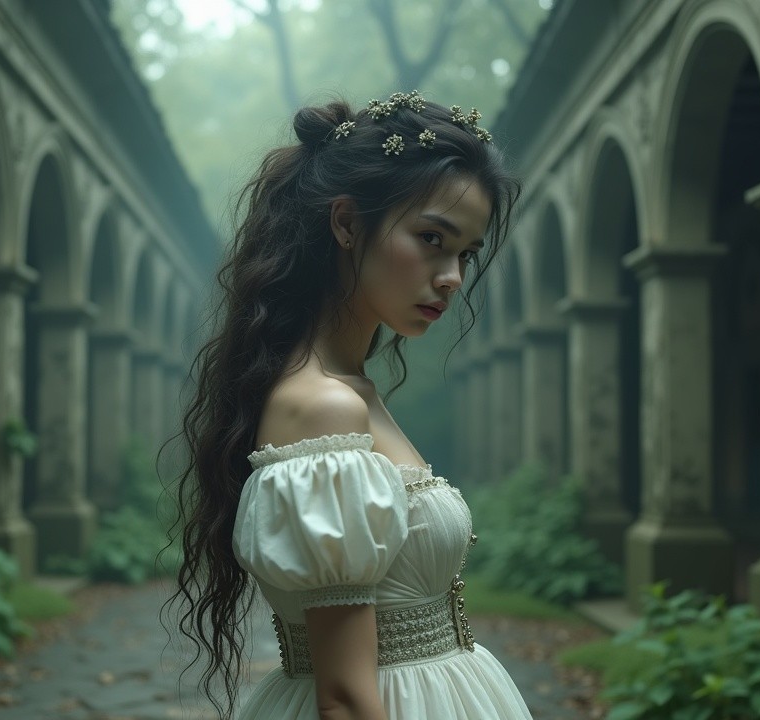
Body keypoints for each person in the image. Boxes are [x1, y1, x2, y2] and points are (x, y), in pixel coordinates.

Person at [166, 91, 532, 719]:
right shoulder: (321, 406)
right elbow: (343, 697)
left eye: (465, 252)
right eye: (431, 238)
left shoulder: (353, 391)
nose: (451, 276)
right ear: (345, 224)